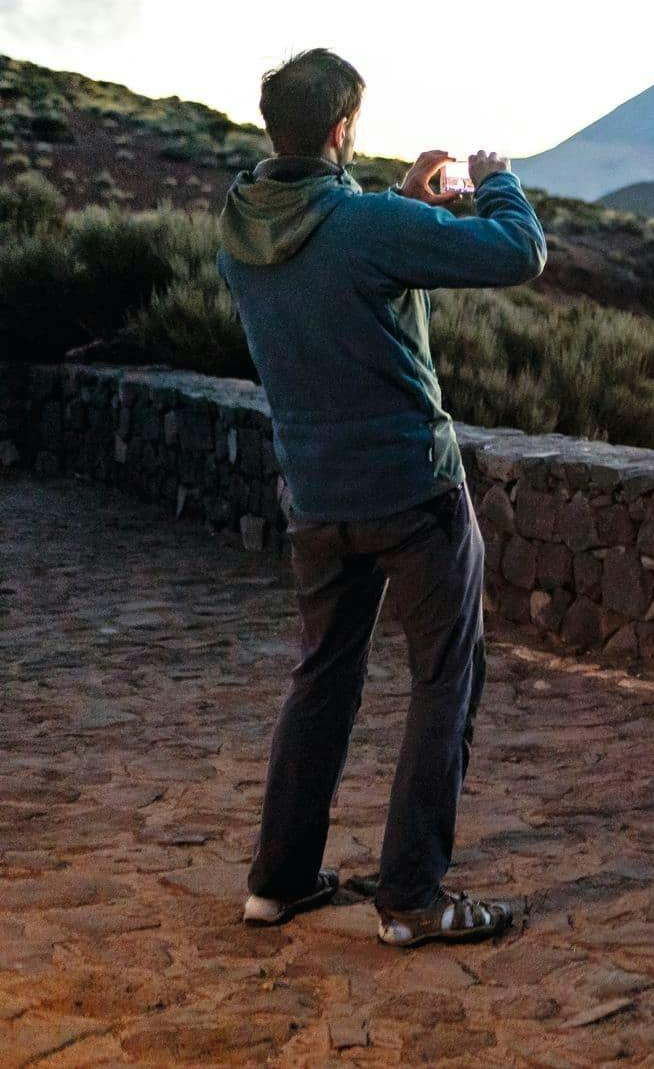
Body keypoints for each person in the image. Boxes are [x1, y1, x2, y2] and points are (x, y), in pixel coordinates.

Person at [218, 48, 546, 948]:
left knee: (321, 680)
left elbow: (333, 257)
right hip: (412, 491)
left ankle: (277, 881)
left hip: (318, 497)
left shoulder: (241, 222)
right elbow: (518, 252)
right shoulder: (362, 226)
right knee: (445, 681)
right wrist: (496, 184)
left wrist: (404, 202)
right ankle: (411, 896)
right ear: (339, 129)